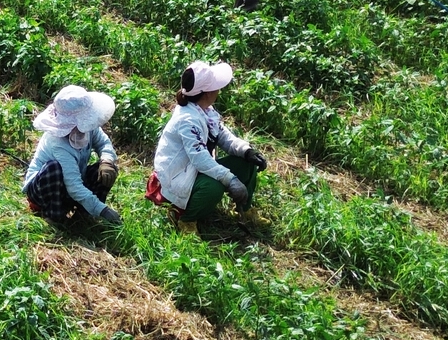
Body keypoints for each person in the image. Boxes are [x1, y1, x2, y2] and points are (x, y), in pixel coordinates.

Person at [145, 61, 269, 235]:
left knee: (245, 163)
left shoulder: (205, 111)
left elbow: (222, 135)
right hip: (179, 175)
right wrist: (230, 180)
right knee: (214, 186)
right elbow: (199, 158)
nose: (219, 91)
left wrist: (246, 151)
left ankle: (245, 209)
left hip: (194, 169)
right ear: (208, 93)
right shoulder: (187, 120)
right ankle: (186, 219)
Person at [22, 85, 122, 226]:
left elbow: (103, 142)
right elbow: (74, 186)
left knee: (106, 170)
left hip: (69, 185)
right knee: (54, 169)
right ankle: (53, 214)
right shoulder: (58, 143)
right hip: (44, 189)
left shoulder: (88, 127)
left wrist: (107, 160)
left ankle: (84, 215)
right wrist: (103, 210)